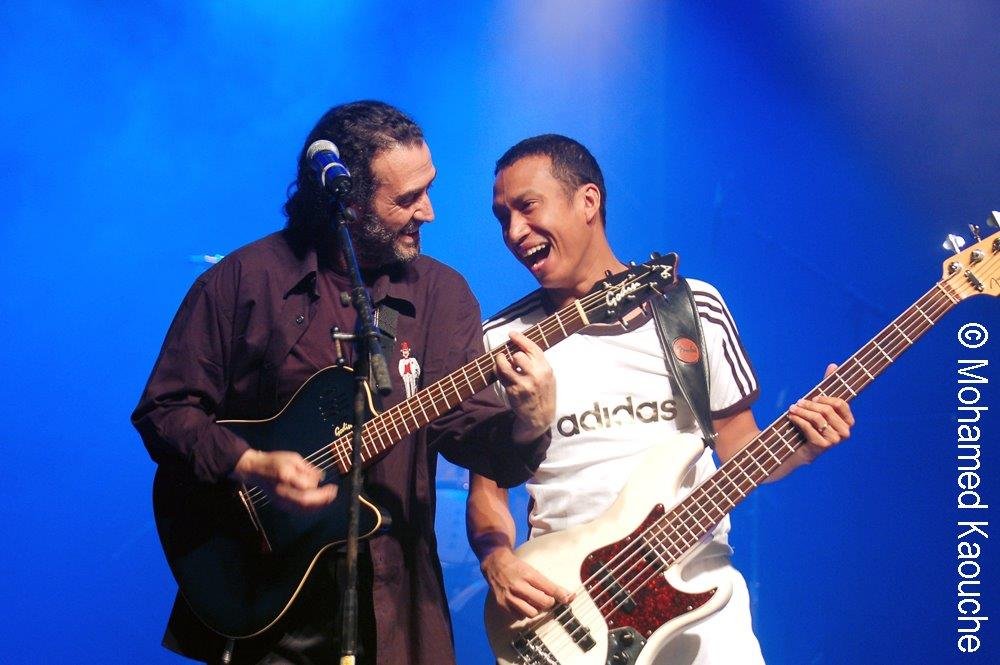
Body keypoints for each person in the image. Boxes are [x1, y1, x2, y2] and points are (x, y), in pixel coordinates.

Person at [132, 101, 552, 665]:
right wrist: (248, 463)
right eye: (406, 198)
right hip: (263, 601)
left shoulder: (442, 295)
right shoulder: (243, 281)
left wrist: (529, 421)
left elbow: (471, 435)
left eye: (428, 189)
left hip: (396, 608)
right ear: (348, 203)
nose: (428, 212)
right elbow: (164, 410)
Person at [466, 134, 855, 664]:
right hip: (567, 615)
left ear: (587, 201)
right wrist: (495, 559)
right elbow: (486, 487)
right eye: (502, 217)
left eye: (527, 207)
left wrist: (803, 446)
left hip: (701, 601)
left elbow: (740, 448)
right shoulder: (503, 341)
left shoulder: (693, 307)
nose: (513, 231)